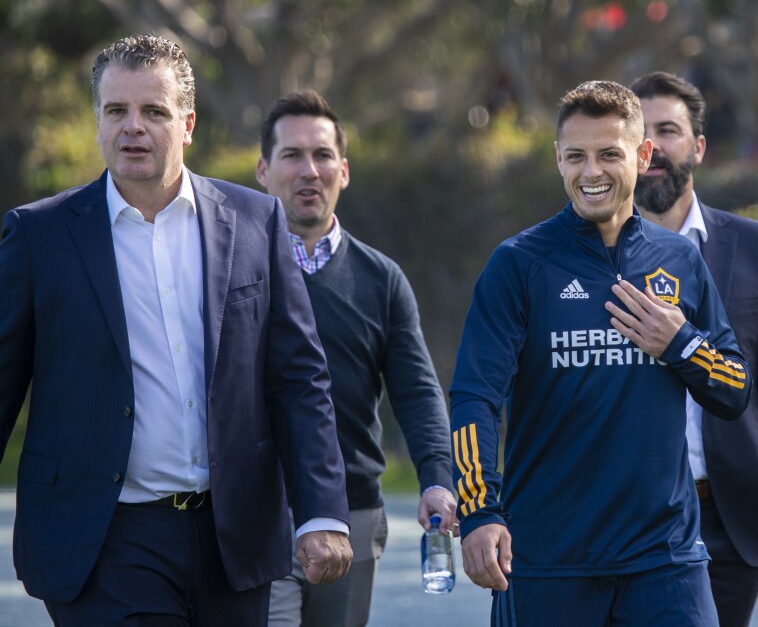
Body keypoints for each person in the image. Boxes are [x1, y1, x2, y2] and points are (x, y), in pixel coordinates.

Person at [0, 34, 353, 626]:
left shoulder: (254, 220)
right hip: (104, 540)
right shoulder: (40, 237)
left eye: (153, 112)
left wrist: (321, 514)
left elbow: (299, 379)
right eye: (116, 111)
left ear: (187, 124)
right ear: (97, 122)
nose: (132, 127)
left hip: (234, 539)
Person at [450, 80, 753, 626]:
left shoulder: (679, 260)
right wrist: (478, 512)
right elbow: (474, 396)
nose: (591, 173)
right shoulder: (519, 263)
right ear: (558, 161)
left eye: (609, 154)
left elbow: (735, 388)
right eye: (576, 157)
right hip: (548, 562)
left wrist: (680, 343)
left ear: (642, 156)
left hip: (665, 561)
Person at [255, 90, 457, 627]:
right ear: (262, 169)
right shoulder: (232, 270)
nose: (309, 170)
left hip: (354, 513)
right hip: (256, 513)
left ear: (343, 171)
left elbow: (417, 392)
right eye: (292, 155)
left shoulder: (382, 280)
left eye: (322, 156)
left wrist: (437, 477)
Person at [630, 71, 758, 627]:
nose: (653, 148)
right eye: (641, 133)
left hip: (729, 521)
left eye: (669, 130)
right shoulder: (587, 257)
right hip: (624, 517)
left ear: (699, 147)